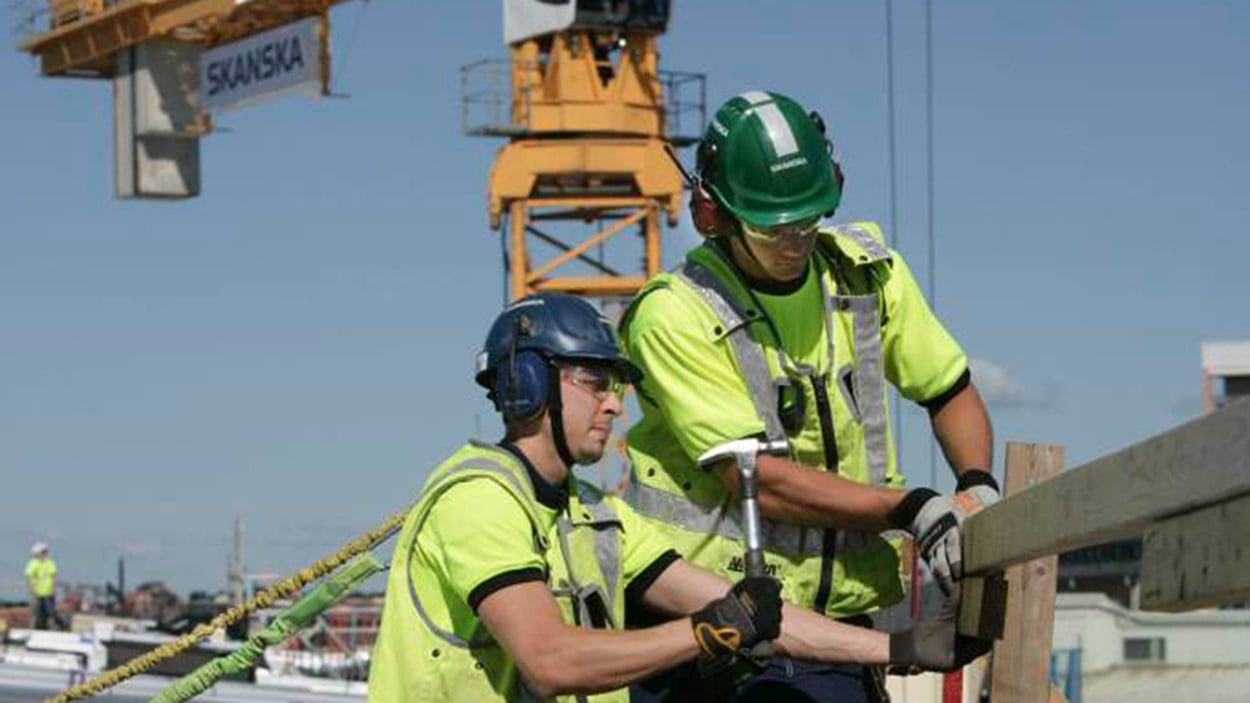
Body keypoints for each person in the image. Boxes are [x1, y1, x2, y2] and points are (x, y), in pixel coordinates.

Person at [367, 292, 972, 702]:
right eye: (595, 383)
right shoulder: (480, 498)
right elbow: (549, 660)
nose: (614, 404)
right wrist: (707, 632)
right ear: (526, 383)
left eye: (618, 388)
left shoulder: (592, 516)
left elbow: (760, 618)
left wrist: (900, 647)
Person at [622, 91, 999, 700]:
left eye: (809, 218)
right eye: (773, 228)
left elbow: (947, 388)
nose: (796, 239)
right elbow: (756, 480)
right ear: (712, 215)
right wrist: (914, 508)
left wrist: (977, 485)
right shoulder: (674, 314)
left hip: (837, 633)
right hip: (708, 629)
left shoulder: (868, 275)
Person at [25, 542, 67, 630]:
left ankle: (59, 625)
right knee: (37, 612)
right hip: (37, 593)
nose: (41, 555)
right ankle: (38, 627)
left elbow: (53, 576)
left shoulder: (50, 563)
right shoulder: (32, 563)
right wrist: (31, 589)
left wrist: (53, 588)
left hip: (48, 592)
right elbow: (29, 577)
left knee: (50, 611)